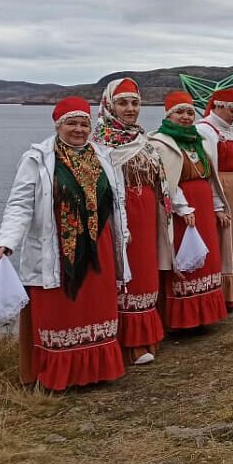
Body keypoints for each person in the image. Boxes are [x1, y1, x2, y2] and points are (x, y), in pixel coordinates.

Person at [0, 97, 129, 391]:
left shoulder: (102, 155)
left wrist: (125, 237)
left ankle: (98, 371)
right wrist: (7, 240)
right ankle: (59, 376)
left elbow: (117, 202)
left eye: (84, 123)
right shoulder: (38, 159)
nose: (79, 129)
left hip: (99, 247)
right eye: (72, 123)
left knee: (97, 309)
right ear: (58, 126)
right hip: (56, 248)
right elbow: (20, 204)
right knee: (60, 311)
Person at [92, 78, 168, 366]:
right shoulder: (99, 143)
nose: (130, 108)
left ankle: (147, 334)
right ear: (109, 105)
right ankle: (129, 341)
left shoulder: (142, 138)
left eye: (135, 103)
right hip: (118, 214)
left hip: (147, 213)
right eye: (123, 102)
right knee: (126, 273)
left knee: (146, 272)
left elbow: (160, 179)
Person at [149, 91, 229, 331]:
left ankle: (205, 315)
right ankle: (185, 320)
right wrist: (182, 207)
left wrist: (217, 206)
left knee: (207, 257)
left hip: (203, 204)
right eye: (180, 112)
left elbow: (209, 176)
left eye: (189, 112)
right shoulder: (160, 142)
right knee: (185, 258)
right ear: (169, 115)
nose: (185, 117)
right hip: (182, 207)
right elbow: (166, 180)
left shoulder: (198, 140)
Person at [196, 87, 233, 311]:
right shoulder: (205, 131)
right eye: (232, 109)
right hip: (222, 192)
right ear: (218, 105)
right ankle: (222, 293)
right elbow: (209, 171)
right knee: (223, 240)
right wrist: (217, 205)